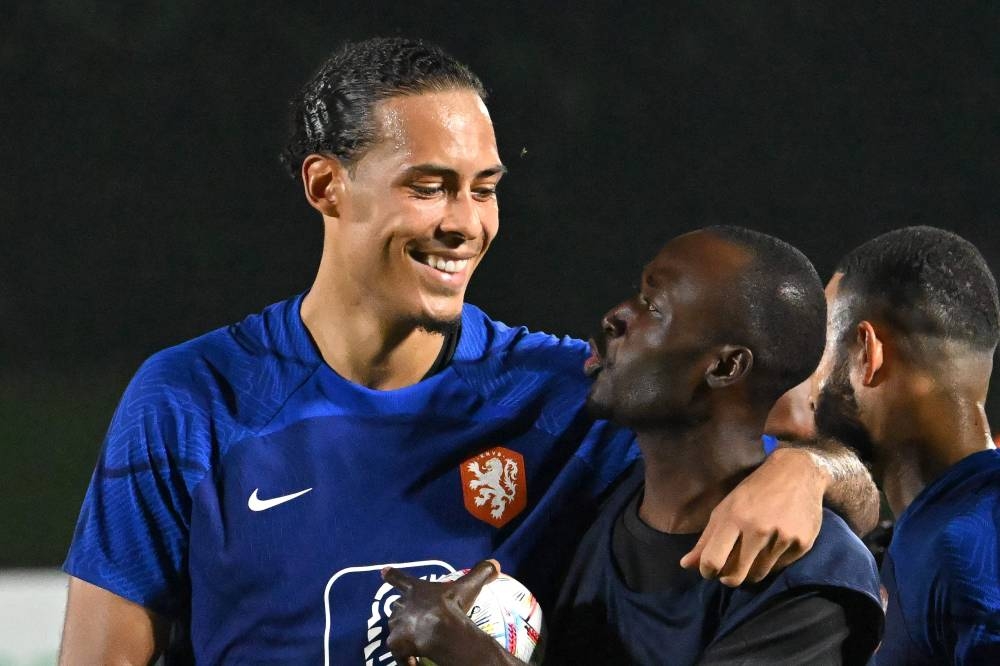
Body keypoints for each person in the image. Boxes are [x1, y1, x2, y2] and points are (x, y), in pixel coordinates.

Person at [59, 38, 877, 664]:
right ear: (326, 186)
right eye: (428, 186)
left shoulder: (562, 397)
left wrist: (805, 471)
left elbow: (838, 486)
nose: (465, 222)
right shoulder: (189, 401)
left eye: (483, 188)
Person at [811, 226, 1000, 664]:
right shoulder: (943, 524)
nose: (811, 383)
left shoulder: (969, 543)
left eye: (819, 349)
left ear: (866, 353)